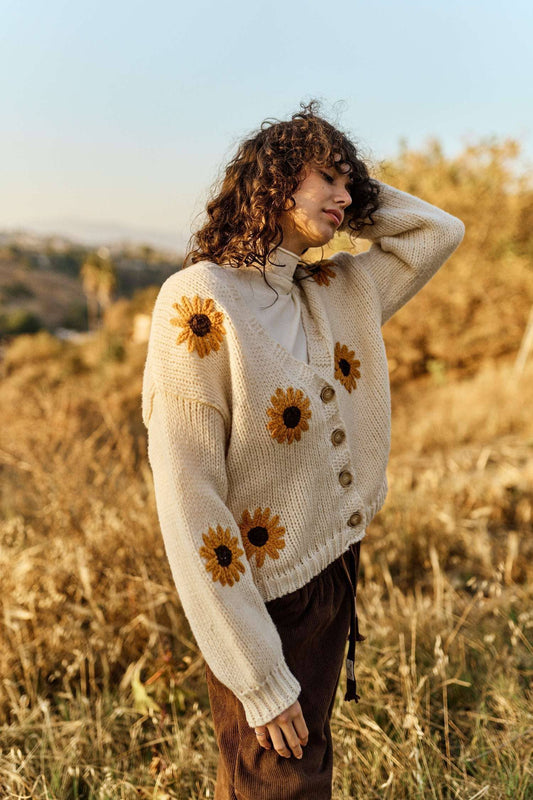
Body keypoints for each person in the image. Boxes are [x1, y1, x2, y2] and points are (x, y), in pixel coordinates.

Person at [141, 101, 465, 799]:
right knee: (276, 780)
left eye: (352, 183)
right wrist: (256, 674)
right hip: (256, 597)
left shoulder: (335, 289)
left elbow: (437, 232)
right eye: (328, 178)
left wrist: (352, 203)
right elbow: (188, 496)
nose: (346, 196)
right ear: (275, 181)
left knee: (300, 769)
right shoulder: (198, 301)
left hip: (333, 567)